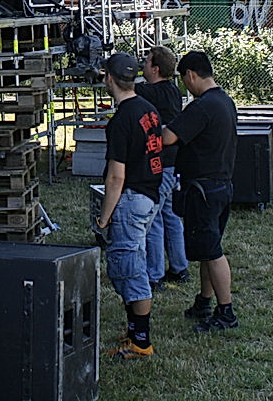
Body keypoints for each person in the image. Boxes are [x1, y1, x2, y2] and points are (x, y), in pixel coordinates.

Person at [161, 50, 239, 333]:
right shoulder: (225, 101)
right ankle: (204, 301)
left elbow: (169, 137)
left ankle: (226, 312)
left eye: (184, 81)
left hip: (202, 189)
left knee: (213, 251)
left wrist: (148, 130)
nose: (186, 87)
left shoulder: (202, 106)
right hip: (222, 185)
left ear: (191, 75)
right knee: (207, 248)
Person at [94, 52, 164, 360]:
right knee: (131, 262)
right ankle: (134, 329)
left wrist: (104, 217)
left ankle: (141, 342)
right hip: (150, 196)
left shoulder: (121, 120)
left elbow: (116, 176)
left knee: (130, 268)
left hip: (131, 200)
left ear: (109, 78)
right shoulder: (148, 109)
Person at [134, 45, 190, 290]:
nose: (142, 66)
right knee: (170, 216)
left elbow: (129, 89)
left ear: (155, 69)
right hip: (173, 164)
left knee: (153, 220)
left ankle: (154, 274)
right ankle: (179, 267)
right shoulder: (172, 91)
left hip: (162, 164)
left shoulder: (153, 93)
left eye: (146, 62)